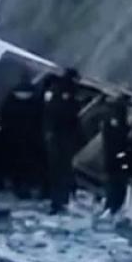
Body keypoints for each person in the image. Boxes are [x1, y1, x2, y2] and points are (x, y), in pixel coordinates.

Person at [0, 73, 37, 194]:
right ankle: (22, 186)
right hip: (27, 139)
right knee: (24, 164)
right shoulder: (35, 100)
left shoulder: (9, 100)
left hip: (9, 138)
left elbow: (0, 119)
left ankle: (4, 184)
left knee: (8, 162)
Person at [42, 68, 83, 214]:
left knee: (57, 169)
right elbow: (69, 115)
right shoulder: (67, 94)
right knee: (62, 169)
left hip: (57, 136)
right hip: (63, 136)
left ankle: (57, 200)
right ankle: (60, 200)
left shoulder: (56, 91)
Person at [99, 93, 131, 215]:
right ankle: (111, 210)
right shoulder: (116, 119)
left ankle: (110, 209)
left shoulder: (112, 117)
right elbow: (118, 139)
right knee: (116, 186)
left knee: (114, 185)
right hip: (116, 157)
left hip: (113, 157)